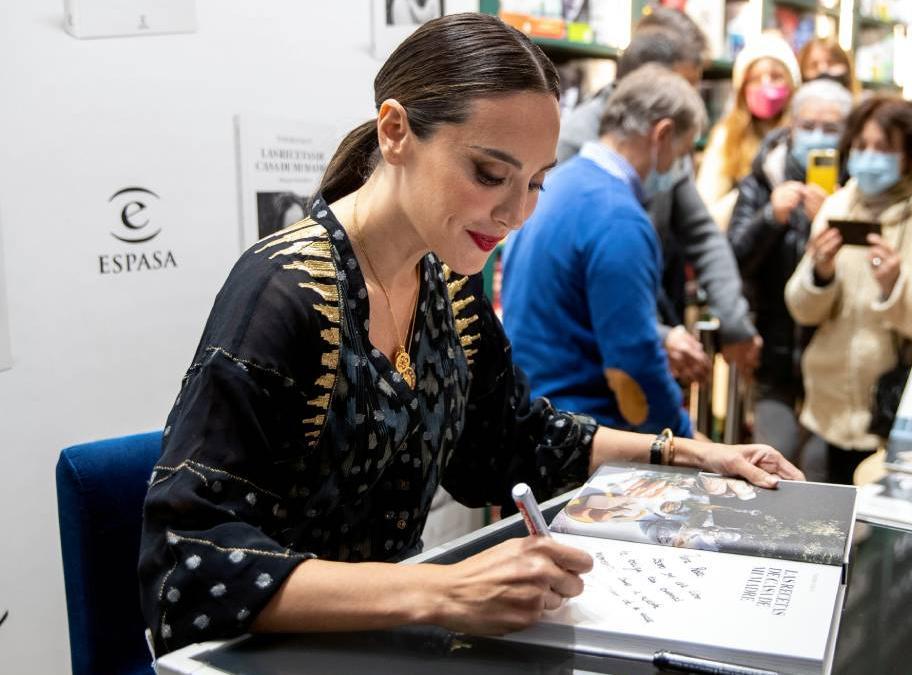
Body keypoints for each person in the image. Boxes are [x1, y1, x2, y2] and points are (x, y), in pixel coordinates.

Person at [137, 14, 803, 656]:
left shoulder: (448, 285)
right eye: (489, 174)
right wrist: (441, 589)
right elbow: (186, 565)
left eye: (536, 183)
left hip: (377, 644)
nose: (514, 213)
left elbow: (513, 440)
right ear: (396, 131)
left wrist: (689, 454)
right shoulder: (284, 289)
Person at [784, 96, 912, 484]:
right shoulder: (839, 205)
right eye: (861, 147)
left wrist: (899, 289)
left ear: (910, 155)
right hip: (832, 411)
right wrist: (820, 275)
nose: (869, 158)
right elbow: (801, 309)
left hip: (908, 418)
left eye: (884, 148)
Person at [556, 8, 761, 383]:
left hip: (644, 336)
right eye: (684, 87)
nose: (692, 102)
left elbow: (702, 234)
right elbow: (570, 275)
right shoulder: (573, 142)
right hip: (586, 356)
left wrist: (735, 323)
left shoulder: (666, 150)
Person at [503, 65, 703, 439]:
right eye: (684, 151)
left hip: (532, 417)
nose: (681, 166)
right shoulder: (620, 219)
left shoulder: (554, 186)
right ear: (663, 134)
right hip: (585, 437)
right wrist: (681, 438)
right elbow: (632, 367)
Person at [727, 79, 853, 464]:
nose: (818, 137)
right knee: (772, 460)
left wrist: (832, 220)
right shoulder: (765, 178)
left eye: (831, 129)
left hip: (836, 360)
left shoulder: (858, 185)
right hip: (774, 354)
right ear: (792, 126)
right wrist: (770, 217)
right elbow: (732, 257)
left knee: (818, 469)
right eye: (808, 126)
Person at [697, 33, 800, 229]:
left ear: (792, 84)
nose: (766, 85)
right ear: (742, 87)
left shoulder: (802, 136)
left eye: (776, 77)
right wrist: (751, 198)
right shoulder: (726, 137)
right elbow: (706, 210)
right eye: (755, 79)